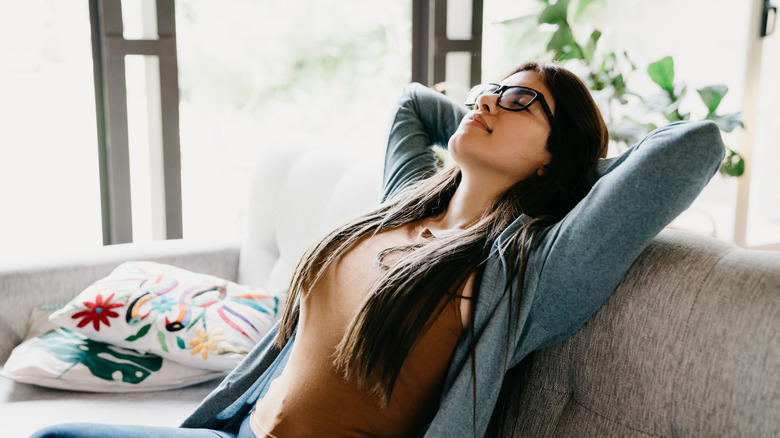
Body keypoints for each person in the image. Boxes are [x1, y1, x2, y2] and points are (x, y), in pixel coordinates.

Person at [31, 61, 725, 438]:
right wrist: (492, 117)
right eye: (489, 89)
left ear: (555, 157)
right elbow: (412, 104)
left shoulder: (527, 270)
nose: (487, 101)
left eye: (520, 101)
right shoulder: (406, 199)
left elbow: (691, 148)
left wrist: (577, 170)